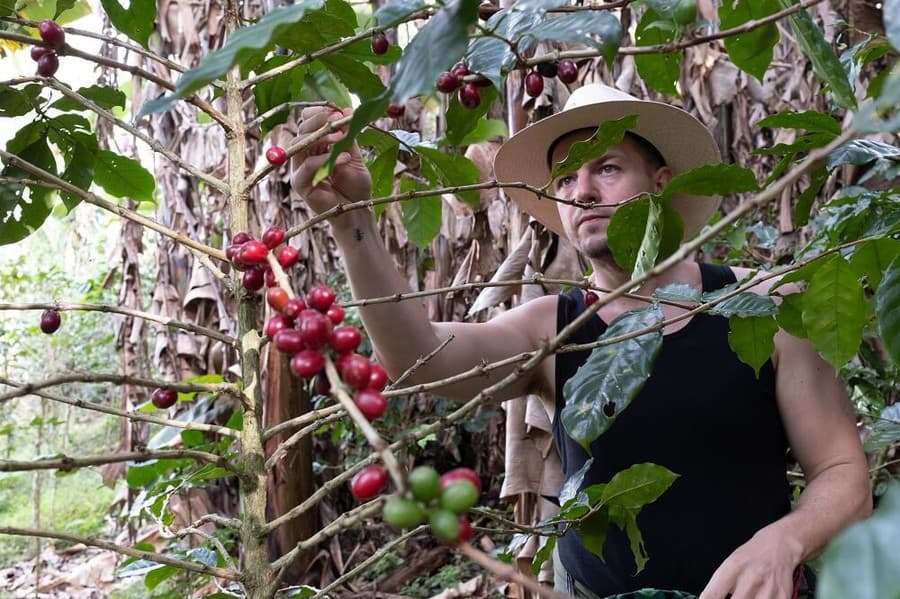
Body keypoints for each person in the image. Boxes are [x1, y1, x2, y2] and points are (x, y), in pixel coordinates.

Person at [291, 83, 871, 599]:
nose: (582, 192)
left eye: (607, 168)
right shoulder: (554, 328)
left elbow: (844, 473)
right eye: (566, 179)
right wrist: (352, 221)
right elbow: (422, 361)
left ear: (661, 183)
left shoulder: (762, 307)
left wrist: (784, 542)